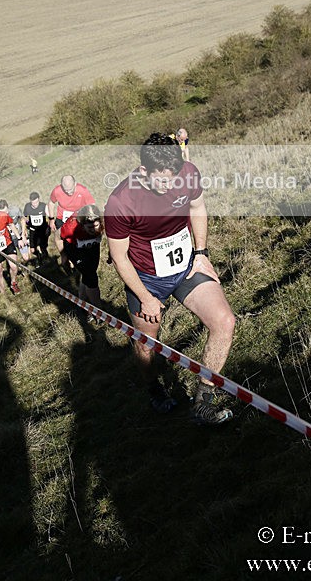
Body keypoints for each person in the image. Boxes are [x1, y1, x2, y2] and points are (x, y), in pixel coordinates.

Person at [104, 133, 235, 425]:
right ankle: (154, 388)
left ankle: (204, 400)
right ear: (143, 172)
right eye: (161, 180)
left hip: (185, 267)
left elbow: (198, 207)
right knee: (146, 344)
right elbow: (120, 257)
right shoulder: (121, 201)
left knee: (224, 322)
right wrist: (146, 297)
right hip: (146, 279)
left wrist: (200, 252)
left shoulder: (187, 174)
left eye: (173, 178)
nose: (169, 186)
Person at [60, 204, 105, 308]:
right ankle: (98, 310)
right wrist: (64, 256)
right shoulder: (71, 226)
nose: (93, 230)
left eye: (96, 226)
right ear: (82, 224)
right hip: (74, 247)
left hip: (92, 245)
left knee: (90, 273)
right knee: (91, 277)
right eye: (89, 227)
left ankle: (82, 302)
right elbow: (58, 237)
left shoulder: (103, 221)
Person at [47, 175, 95, 269]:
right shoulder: (57, 191)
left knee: (75, 240)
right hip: (62, 218)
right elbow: (51, 203)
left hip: (78, 218)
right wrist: (51, 219)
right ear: (61, 186)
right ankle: (64, 255)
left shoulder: (82, 190)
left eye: (70, 189)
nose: (68, 192)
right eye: (66, 190)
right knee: (59, 237)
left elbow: (91, 204)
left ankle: (78, 261)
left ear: (75, 184)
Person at [22, 192, 50, 264]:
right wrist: (25, 228)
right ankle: (39, 256)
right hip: (33, 230)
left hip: (42, 230)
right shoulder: (27, 206)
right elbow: (24, 217)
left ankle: (45, 259)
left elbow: (50, 216)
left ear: (39, 200)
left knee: (43, 247)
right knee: (32, 250)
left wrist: (49, 226)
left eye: (36, 202)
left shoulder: (43, 206)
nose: (35, 205)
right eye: (33, 203)